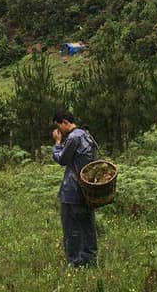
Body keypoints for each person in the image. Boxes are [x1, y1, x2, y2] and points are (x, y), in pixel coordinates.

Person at [51, 111, 99, 267]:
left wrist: (57, 144)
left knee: (71, 227)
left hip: (72, 190)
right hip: (87, 188)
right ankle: (90, 259)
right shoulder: (86, 135)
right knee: (87, 225)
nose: (59, 130)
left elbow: (62, 159)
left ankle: (76, 262)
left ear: (65, 122)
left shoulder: (73, 137)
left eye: (59, 126)